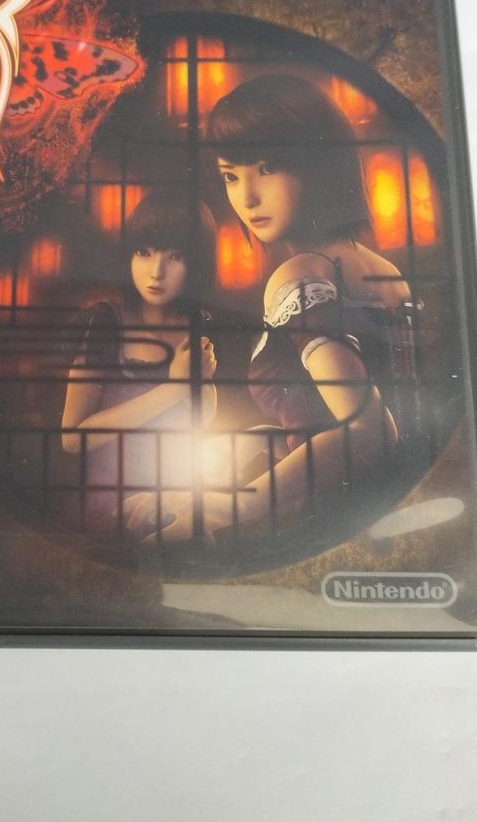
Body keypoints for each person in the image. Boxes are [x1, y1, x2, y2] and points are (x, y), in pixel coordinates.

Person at [127, 73, 419, 547]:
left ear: (318, 162)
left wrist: (218, 510)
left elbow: (367, 431)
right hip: (385, 512)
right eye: (231, 176)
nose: (247, 197)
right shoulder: (382, 270)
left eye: (267, 168)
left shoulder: (300, 275)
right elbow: (332, 421)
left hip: (326, 518)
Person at [61, 189, 218, 533]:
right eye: (143, 252)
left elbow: (202, 419)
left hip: (175, 495)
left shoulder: (195, 322)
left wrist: (198, 380)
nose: (156, 272)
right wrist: (172, 389)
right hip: (112, 503)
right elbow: (71, 438)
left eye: (175, 256)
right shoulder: (105, 321)